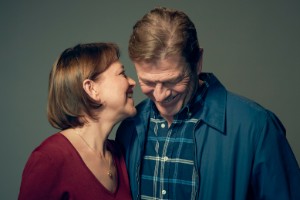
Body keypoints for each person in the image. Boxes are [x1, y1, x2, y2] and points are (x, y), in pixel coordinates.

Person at [116, 7, 300, 200]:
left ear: (198, 63)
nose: (160, 96)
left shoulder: (258, 127)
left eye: (172, 80)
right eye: (148, 82)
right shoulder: (129, 127)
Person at [19, 42, 136, 199]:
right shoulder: (49, 159)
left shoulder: (119, 154)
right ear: (92, 89)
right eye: (122, 73)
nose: (132, 82)